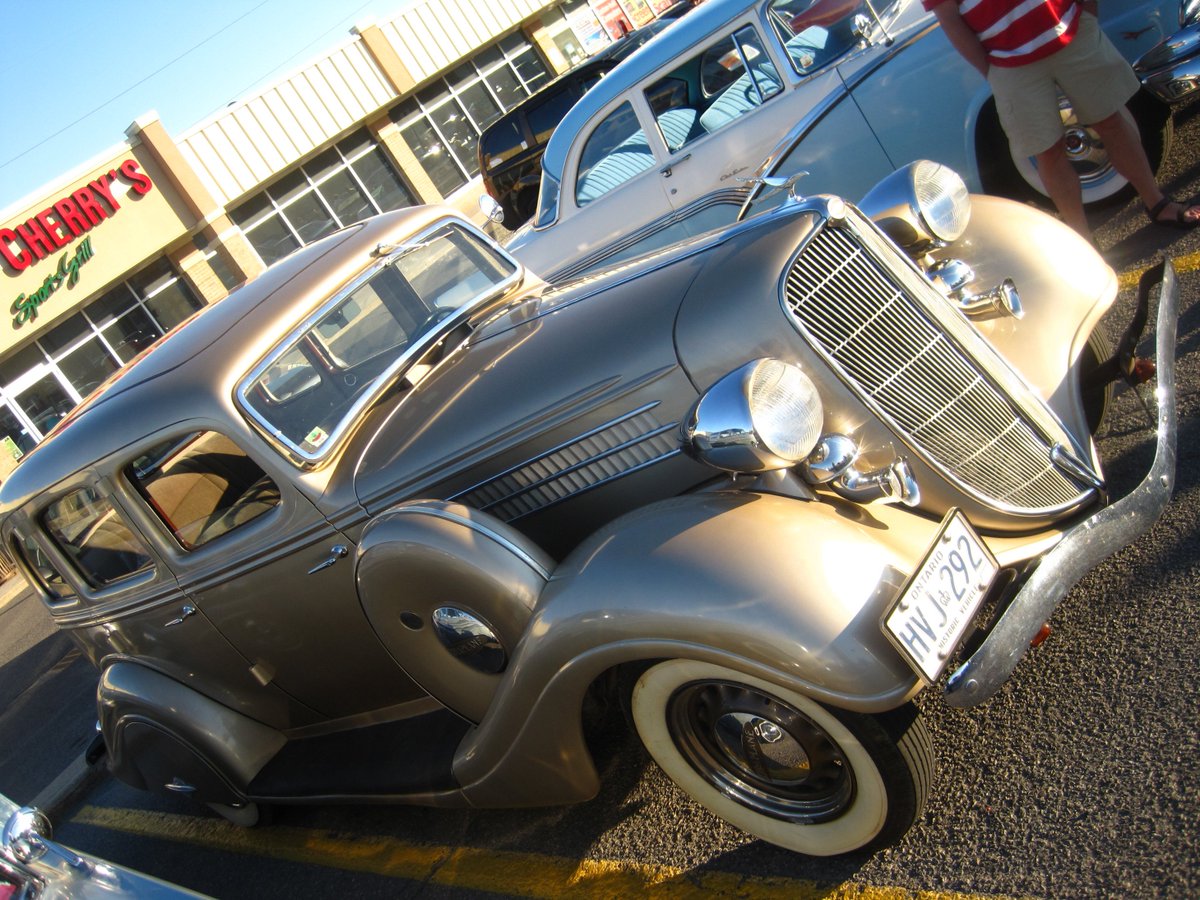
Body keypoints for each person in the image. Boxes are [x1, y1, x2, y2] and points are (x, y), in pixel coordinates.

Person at [926, 0, 1200, 239]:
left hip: (1072, 30)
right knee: (1048, 151)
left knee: (1111, 120)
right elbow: (950, 19)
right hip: (1009, 64)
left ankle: (1158, 204)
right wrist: (993, 73)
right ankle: (1083, 241)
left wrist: (1088, 10)